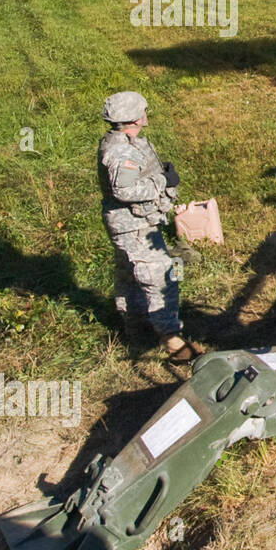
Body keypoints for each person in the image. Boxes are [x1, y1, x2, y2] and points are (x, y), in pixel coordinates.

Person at [98, 91, 200, 363]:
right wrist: (162, 182)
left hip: (132, 224)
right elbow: (124, 190)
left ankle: (134, 327)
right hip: (133, 226)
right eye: (144, 110)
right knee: (160, 277)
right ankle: (173, 342)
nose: (147, 114)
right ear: (135, 117)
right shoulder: (122, 151)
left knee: (129, 275)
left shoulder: (125, 142)